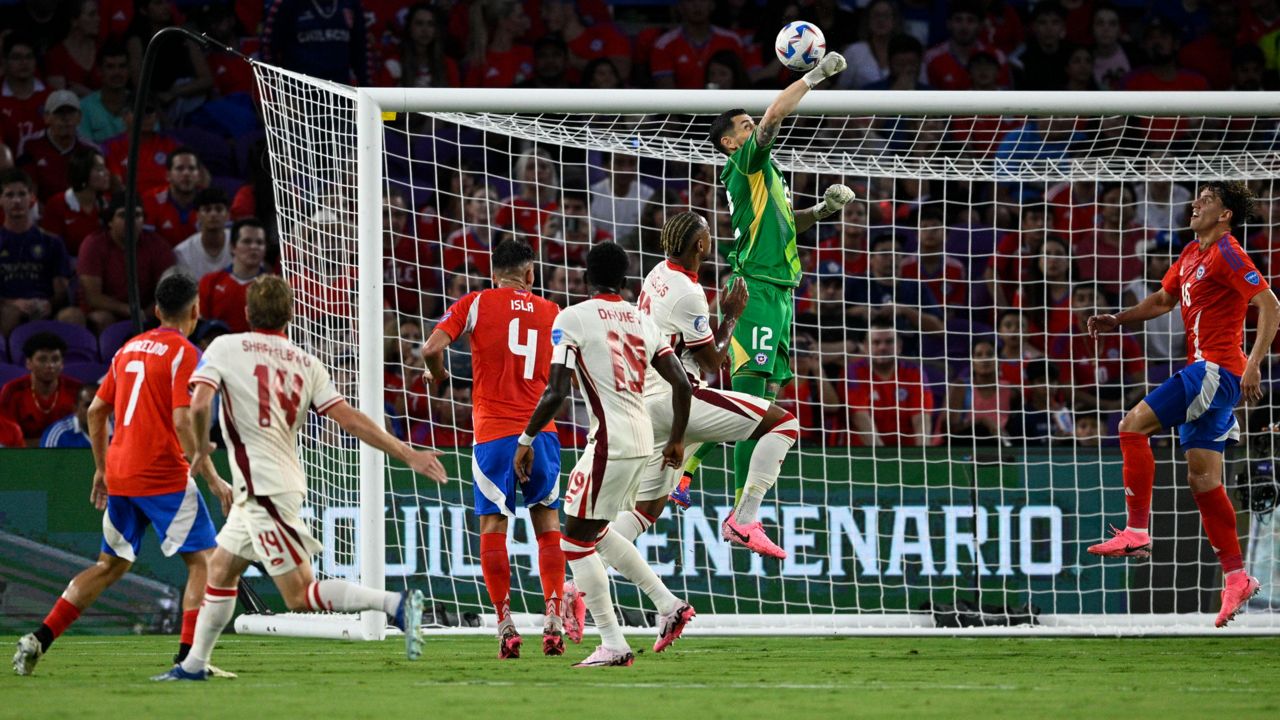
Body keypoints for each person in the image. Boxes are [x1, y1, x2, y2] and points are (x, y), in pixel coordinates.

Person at [156, 275, 448, 681]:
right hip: (270, 485)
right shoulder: (305, 362)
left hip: (264, 490)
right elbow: (350, 419)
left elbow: (199, 402)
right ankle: (193, 666)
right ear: (291, 315)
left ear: (246, 313)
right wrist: (406, 452)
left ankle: (396, 604)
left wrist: (203, 446)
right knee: (221, 570)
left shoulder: (224, 347)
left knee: (299, 595)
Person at [12, 273, 233, 677]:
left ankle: (39, 638)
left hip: (121, 471)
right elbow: (184, 422)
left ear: (156, 310)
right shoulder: (185, 353)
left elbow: (96, 411)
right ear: (196, 310)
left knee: (109, 565)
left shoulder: (127, 348)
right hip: (161, 472)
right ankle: (188, 661)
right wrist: (212, 475)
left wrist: (101, 468)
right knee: (203, 561)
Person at [1086, 181, 1279, 627]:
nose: (1196, 203)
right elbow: (1162, 300)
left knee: (1132, 425)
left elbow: (1270, 304)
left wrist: (1253, 364)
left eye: (1208, 199)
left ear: (1226, 213)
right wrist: (1117, 319)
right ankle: (1236, 576)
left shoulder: (1228, 253)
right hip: (1214, 377)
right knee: (1204, 481)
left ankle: (1136, 530)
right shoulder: (1191, 253)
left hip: (1215, 369)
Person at [686, 50, 852, 510]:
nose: (753, 126)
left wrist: (822, 211)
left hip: (778, 293)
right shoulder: (747, 164)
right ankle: (741, 512)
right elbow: (776, 113)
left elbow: (783, 225)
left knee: (761, 399)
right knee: (752, 407)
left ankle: (685, 472)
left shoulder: (766, 174)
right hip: (754, 289)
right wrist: (815, 75)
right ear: (731, 145)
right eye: (744, 126)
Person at [513, 242, 691, 668]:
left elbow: (556, 390)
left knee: (573, 542)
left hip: (609, 441)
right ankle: (668, 605)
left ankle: (612, 641)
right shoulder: (644, 320)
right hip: (645, 438)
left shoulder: (572, 317)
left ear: (584, 277)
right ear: (626, 281)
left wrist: (525, 439)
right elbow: (683, 385)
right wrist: (678, 441)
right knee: (595, 533)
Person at [611, 211, 800, 579]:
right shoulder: (689, 293)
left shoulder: (657, 274)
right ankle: (743, 518)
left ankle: (579, 583)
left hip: (645, 402)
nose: (713, 237)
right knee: (784, 424)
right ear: (700, 244)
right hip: (678, 399)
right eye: (709, 233)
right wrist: (731, 317)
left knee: (644, 512)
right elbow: (713, 362)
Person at [419, 239, 574, 659]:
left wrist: (439, 377)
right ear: (530, 275)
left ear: (494, 274)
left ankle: (505, 624)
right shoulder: (553, 312)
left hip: (493, 435)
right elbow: (567, 378)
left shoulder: (476, 303)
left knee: (493, 530)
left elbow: (431, 348)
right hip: (541, 432)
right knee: (548, 525)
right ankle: (554, 619)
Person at [77, 196, 176, 333]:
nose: (131, 220)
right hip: (108, 311)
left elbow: (168, 291)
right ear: (110, 221)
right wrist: (129, 310)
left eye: (137, 215)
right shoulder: (93, 244)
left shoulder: (158, 245)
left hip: (147, 311)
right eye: (123, 215)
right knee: (101, 318)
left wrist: (146, 314)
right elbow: (93, 297)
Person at [0, 168, 75, 333]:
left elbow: (61, 290)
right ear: (1, 200)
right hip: (7, 308)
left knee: (72, 315)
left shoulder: (52, 242)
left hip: (44, 307)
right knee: (9, 313)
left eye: (22, 194)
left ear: (32, 199)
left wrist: (49, 303)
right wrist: (12, 303)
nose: (17, 201)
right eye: (9, 195)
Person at [847, 323, 935, 447]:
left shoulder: (915, 373)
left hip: (908, 453)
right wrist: (882, 459)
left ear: (899, 346)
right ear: (865, 347)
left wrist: (922, 456)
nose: (882, 347)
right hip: (864, 454)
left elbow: (922, 419)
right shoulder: (852, 372)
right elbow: (860, 418)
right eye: (876, 342)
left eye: (889, 342)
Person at [0, 332, 82, 445]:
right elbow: (8, 438)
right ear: (29, 363)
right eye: (42, 359)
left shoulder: (77, 390)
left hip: (66, 455)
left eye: (55, 359)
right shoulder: (12, 391)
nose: (50, 365)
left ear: (62, 364)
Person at [16, 90, 98, 202]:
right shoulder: (30, 145)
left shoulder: (90, 150)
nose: (66, 119)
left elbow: (95, 190)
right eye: (59, 113)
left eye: (71, 112)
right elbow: (27, 189)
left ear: (79, 117)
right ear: (46, 117)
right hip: (41, 211)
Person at [197, 218, 269, 333]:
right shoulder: (210, 281)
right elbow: (202, 326)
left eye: (259, 242)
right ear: (232, 247)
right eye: (247, 241)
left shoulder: (273, 287)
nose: (254, 247)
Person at [39, 146, 111, 256]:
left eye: (105, 167)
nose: (107, 173)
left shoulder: (108, 204)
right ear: (83, 172)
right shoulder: (57, 204)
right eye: (99, 169)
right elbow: (51, 249)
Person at [143, 148, 202, 247]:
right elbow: (146, 245)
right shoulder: (151, 200)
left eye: (191, 169)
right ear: (168, 175)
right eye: (180, 168)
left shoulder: (209, 202)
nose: (186, 173)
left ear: (198, 175)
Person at [173, 188, 231, 281]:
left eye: (219, 209)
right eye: (207, 210)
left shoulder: (241, 242)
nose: (213, 214)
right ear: (198, 216)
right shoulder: (182, 252)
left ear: (228, 215)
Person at [40, 382, 99, 448]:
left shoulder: (113, 432)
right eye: (88, 405)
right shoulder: (59, 435)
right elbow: (46, 458)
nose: (94, 410)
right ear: (76, 410)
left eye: (100, 405)